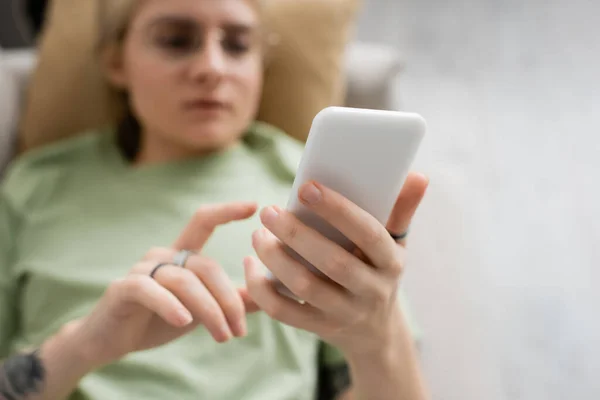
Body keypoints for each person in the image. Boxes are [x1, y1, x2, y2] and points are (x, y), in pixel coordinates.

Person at [0, 0, 430, 399]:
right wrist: (83, 346)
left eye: (238, 45)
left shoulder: (316, 187)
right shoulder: (35, 184)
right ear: (116, 62)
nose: (211, 68)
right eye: (175, 41)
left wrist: (376, 341)